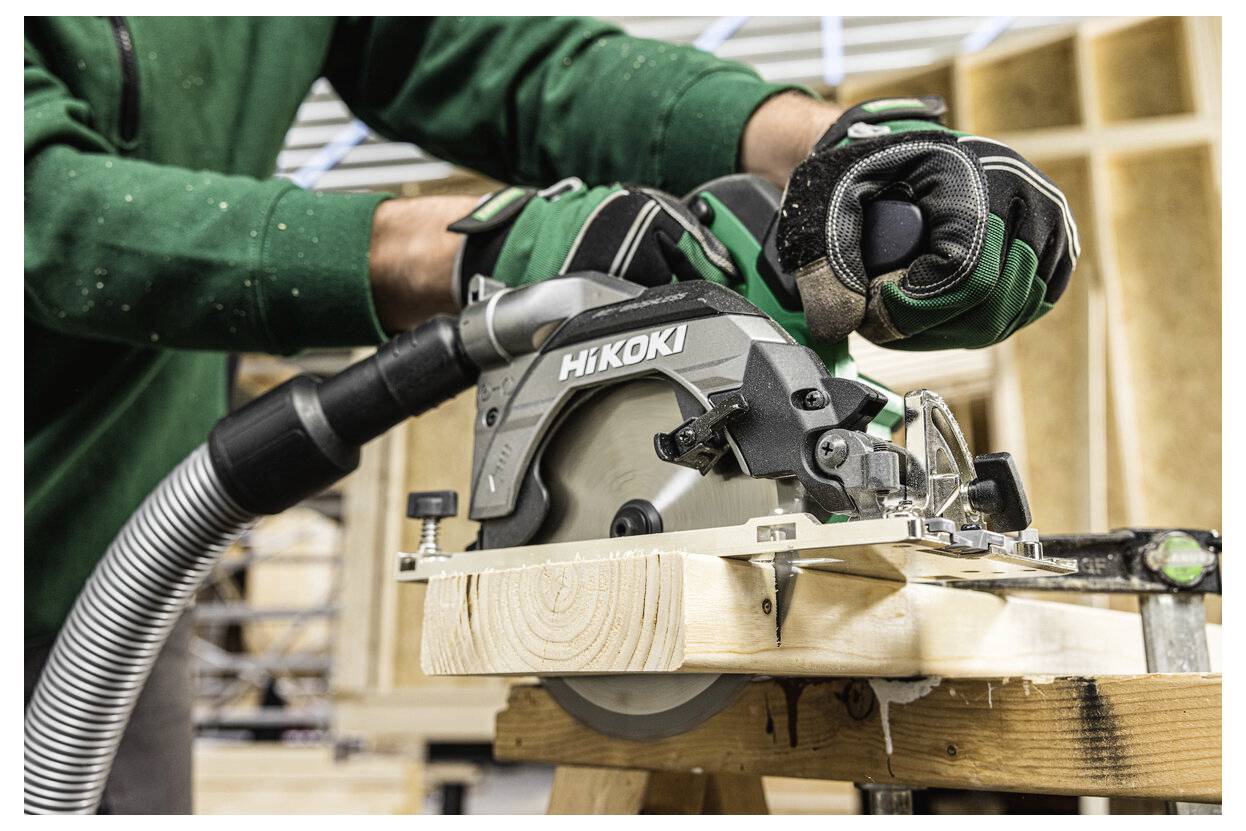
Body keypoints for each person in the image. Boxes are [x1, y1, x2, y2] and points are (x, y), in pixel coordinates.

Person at [25, 17, 1076, 813]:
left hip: (109, 567)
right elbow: (44, 206)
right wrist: (453, 252)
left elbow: (487, 54)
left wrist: (818, 150)